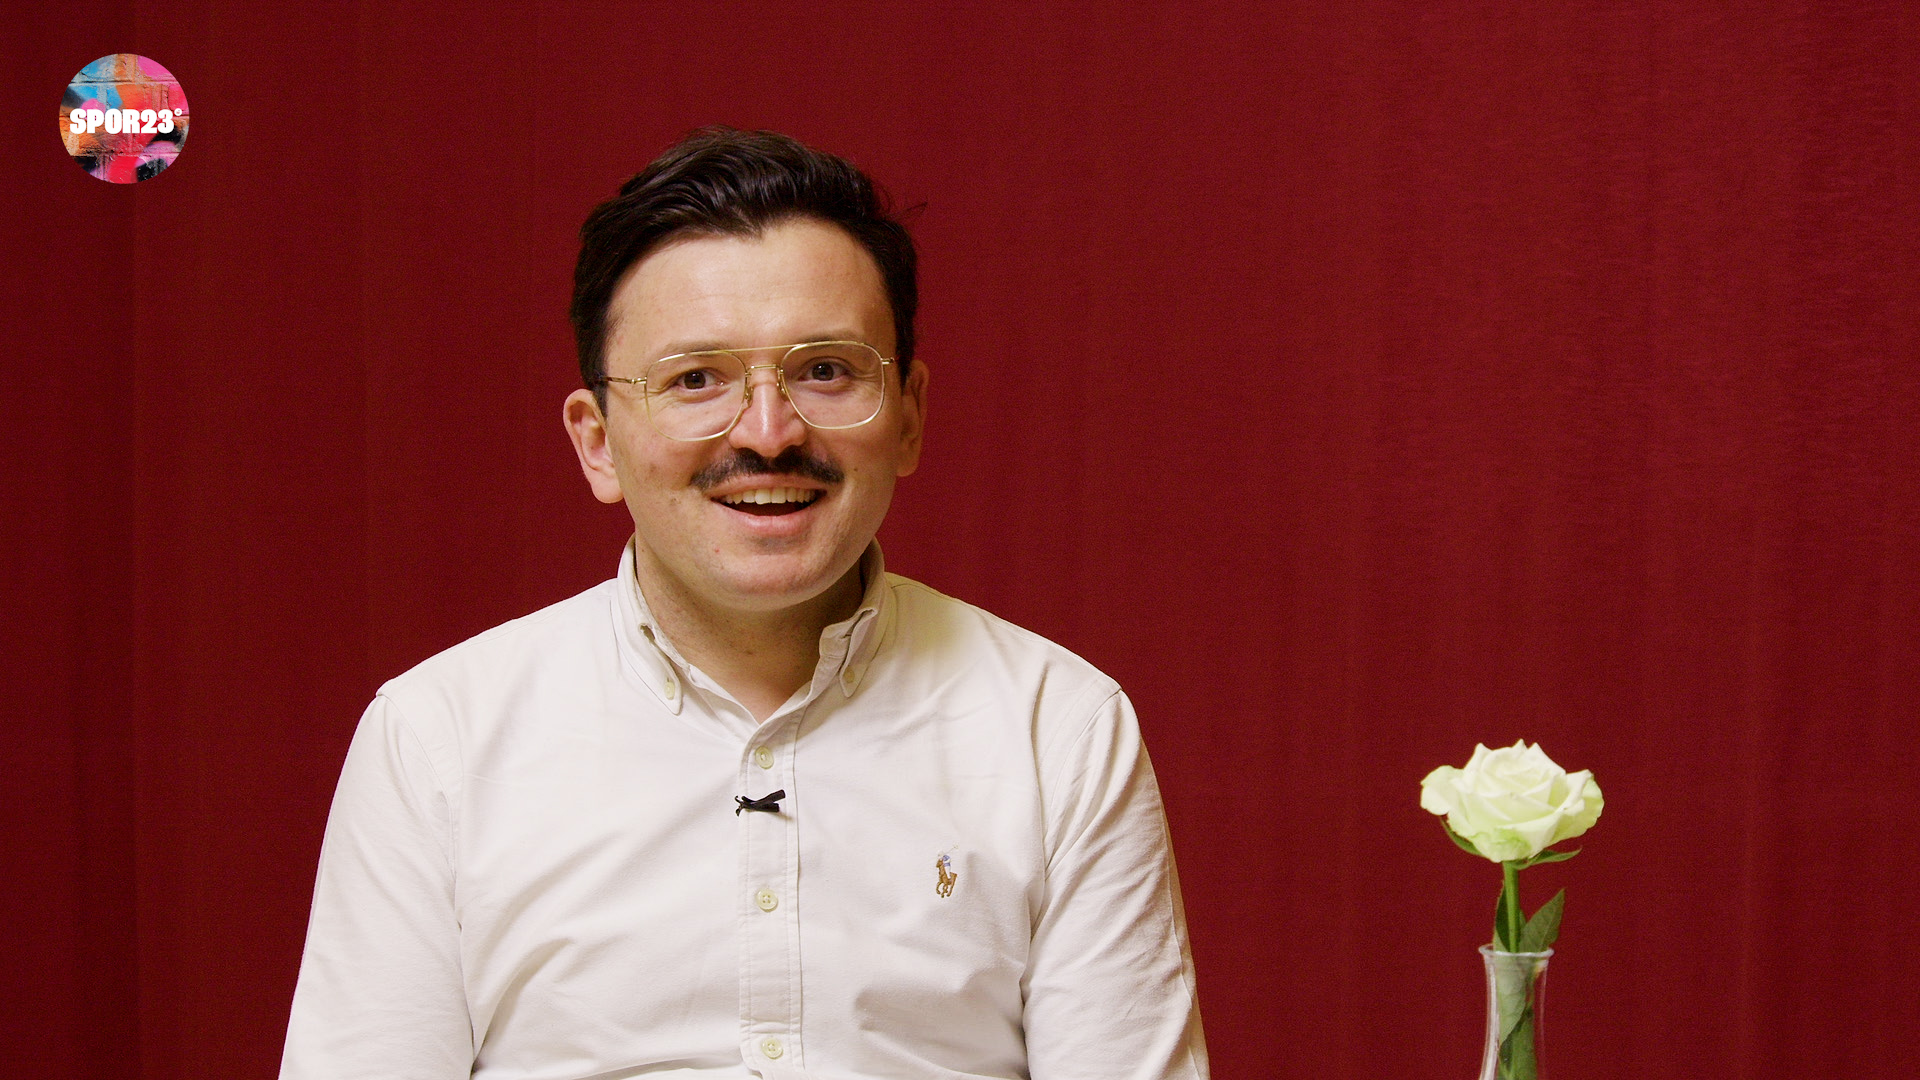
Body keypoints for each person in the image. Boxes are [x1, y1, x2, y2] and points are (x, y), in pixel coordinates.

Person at [280, 127, 1209, 1080]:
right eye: (696, 380)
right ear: (597, 441)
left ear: (910, 416)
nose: (768, 433)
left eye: (826, 371)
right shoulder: (437, 739)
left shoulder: (1058, 729)